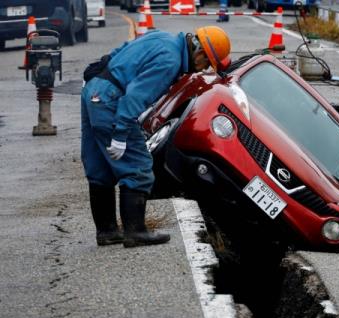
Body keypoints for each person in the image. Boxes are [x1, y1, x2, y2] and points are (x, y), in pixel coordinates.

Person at [81, 26, 231, 247]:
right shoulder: (169, 62)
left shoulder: (163, 36)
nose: (204, 68)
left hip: (94, 90)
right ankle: (136, 232)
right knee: (138, 166)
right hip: (110, 100)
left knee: (99, 167)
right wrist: (121, 133)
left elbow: (124, 49)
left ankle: (107, 231)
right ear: (199, 52)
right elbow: (135, 96)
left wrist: (100, 68)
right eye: (207, 62)